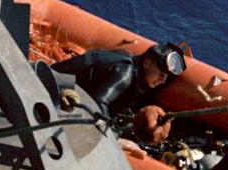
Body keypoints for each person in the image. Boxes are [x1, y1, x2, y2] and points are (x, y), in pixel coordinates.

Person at [50, 42, 186, 125]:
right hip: (55, 84)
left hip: (69, 84)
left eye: (166, 77)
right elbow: (99, 101)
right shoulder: (125, 73)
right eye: (161, 74)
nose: (162, 80)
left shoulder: (130, 61)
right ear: (147, 63)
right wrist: (113, 132)